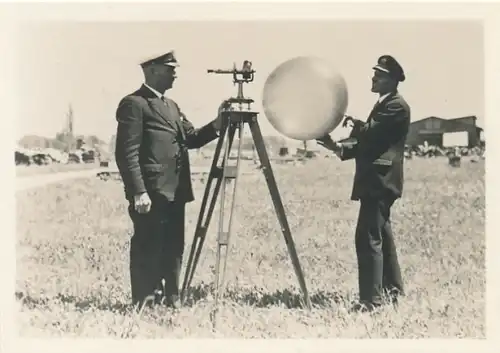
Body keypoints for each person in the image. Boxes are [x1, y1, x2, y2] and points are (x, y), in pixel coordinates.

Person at [114, 50, 226, 309]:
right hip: (151, 192)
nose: (175, 72)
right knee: (149, 245)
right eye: (169, 68)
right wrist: (138, 191)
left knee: (173, 246)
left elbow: (192, 138)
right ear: (152, 70)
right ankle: (145, 301)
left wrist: (218, 123)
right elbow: (126, 152)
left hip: (176, 190)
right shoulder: (134, 104)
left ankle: (172, 298)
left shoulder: (172, 106)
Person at [317, 55, 410, 313]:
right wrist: (337, 147)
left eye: (379, 76)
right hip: (377, 180)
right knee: (381, 236)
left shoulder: (396, 106)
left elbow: (370, 135)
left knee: (368, 238)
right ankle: (393, 292)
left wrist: (353, 123)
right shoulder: (384, 105)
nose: (373, 78)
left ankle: (371, 302)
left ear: (392, 81)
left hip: (380, 181)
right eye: (374, 74)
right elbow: (369, 141)